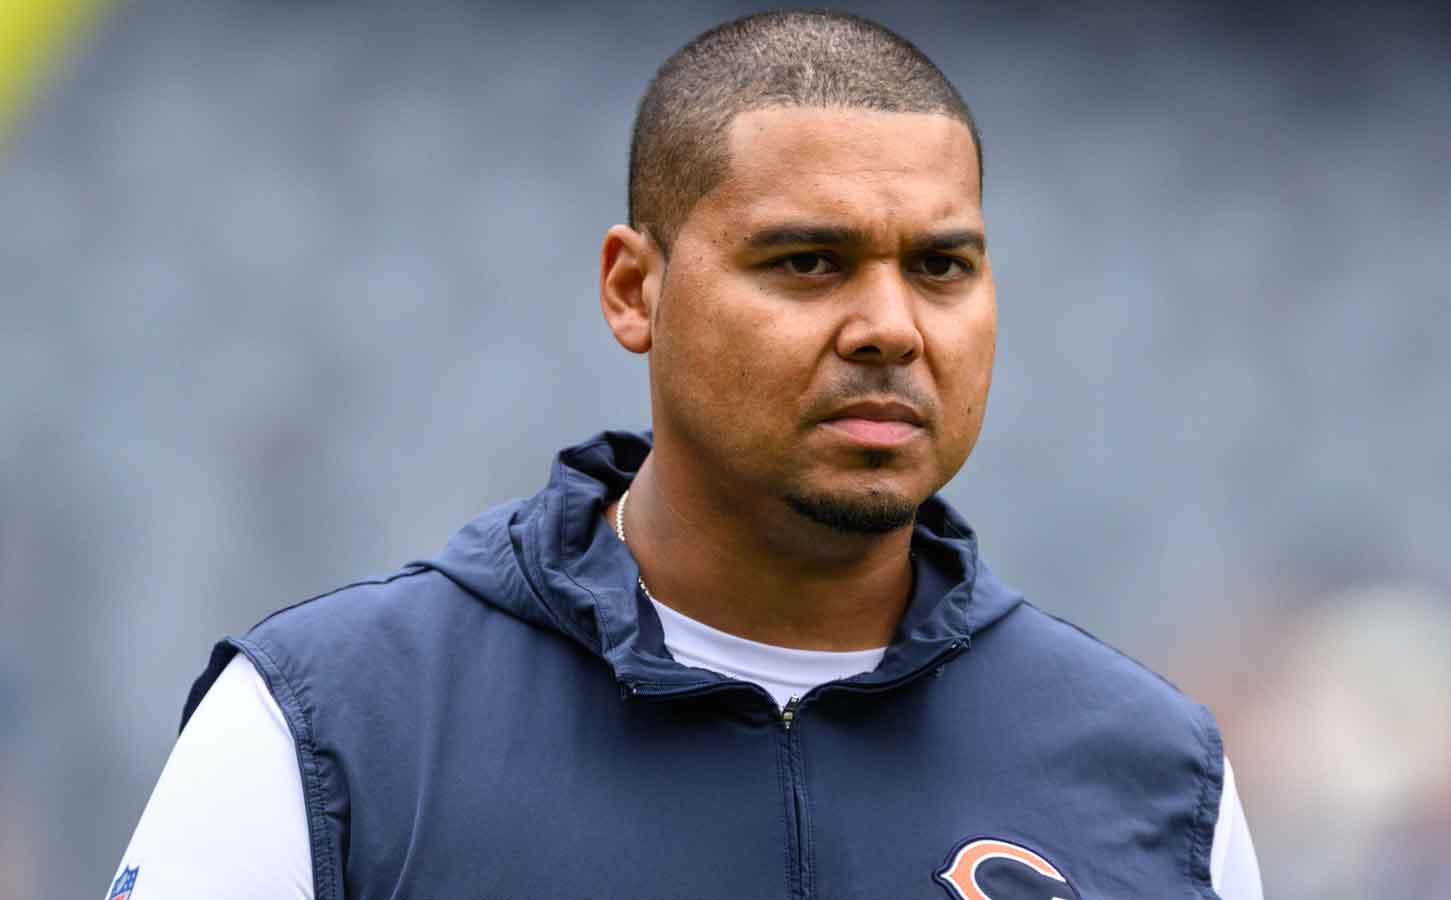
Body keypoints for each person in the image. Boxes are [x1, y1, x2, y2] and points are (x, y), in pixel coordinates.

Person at [109, 10, 1262, 900]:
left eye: (940, 267)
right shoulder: (333, 727)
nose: (890, 327)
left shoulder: (1154, 771)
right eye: (807, 262)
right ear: (634, 289)